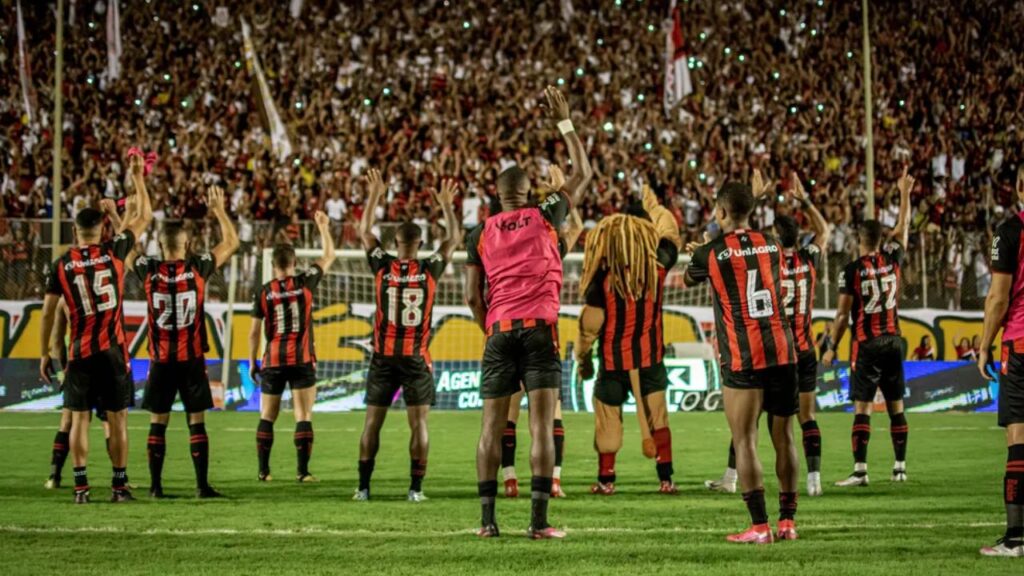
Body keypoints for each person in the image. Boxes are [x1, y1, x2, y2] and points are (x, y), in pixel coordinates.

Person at [464, 86, 591, 539]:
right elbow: (584, 172)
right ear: (527, 191)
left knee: (491, 430)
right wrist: (565, 121)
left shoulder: (478, 232)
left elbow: (471, 297)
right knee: (541, 427)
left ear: (498, 197)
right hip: (539, 331)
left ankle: (487, 523)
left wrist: (491, 330)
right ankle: (538, 523)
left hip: (499, 331)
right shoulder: (546, 213)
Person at [683, 175, 800, 544]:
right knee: (784, 438)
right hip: (783, 350)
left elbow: (690, 278)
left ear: (719, 212)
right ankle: (787, 523)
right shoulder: (773, 244)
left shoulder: (711, 252)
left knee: (745, 438)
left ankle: (759, 526)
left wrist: (702, 247)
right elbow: (752, 253)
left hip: (743, 356)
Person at [705, 172, 830, 497]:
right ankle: (812, 481)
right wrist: (805, 201)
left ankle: (736, 481)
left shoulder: (766, 255)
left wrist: (752, 201)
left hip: (762, 344)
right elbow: (825, 233)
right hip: (799, 350)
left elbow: (737, 236)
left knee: (745, 426)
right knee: (800, 421)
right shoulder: (804, 259)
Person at [39, 151, 153, 503]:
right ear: (103, 228)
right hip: (113, 351)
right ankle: (119, 487)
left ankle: (81, 487)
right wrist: (137, 176)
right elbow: (145, 215)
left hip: (80, 351)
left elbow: (48, 313)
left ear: (75, 231)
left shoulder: (61, 265)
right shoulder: (114, 252)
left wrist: (46, 352)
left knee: (78, 418)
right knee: (118, 419)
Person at [353, 170, 460, 502]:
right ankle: (415, 489)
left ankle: (363, 488)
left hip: (383, 357)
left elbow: (363, 230)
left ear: (394, 243)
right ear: (420, 244)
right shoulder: (429, 269)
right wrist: (446, 205)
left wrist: (375, 194)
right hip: (416, 358)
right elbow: (454, 239)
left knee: (372, 423)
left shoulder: (382, 266)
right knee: (419, 425)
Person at [132, 185, 239, 498]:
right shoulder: (197, 267)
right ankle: (202, 486)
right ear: (187, 244)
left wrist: (121, 214)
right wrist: (218, 209)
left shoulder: (148, 269)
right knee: (196, 422)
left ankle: (155, 487)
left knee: (158, 422)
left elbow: (122, 250)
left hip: (161, 359)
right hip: (191, 358)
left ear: (160, 246)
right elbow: (231, 242)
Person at [574, 186, 682, 496]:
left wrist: (583, 360)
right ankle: (666, 479)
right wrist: (657, 209)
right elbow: (670, 236)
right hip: (650, 358)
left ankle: (606, 480)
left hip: (612, 361)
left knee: (608, 419)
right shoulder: (659, 266)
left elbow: (588, 328)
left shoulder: (602, 278)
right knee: (658, 416)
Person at [823, 167, 914, 487]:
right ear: (880, 240)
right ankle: (900, 466)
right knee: (895, 406)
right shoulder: (892, 261)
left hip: (868, 342)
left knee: (863, 407)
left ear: (858, 240)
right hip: (893, 339)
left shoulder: (851, 270)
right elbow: (903, 231)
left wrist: (831, 346)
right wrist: (905, 194)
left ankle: (860, 470)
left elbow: (842, 315)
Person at [500, 166, 583, 500]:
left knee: (508, 410)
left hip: (506, 328)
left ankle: (509, 480)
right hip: (541, 331)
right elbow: (575, 228)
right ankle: (555, 481)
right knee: (552, 412)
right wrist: (563, 194)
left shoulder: (501, 242)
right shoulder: (551, 248)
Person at [248, 211, 335, 483]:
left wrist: (253, 362)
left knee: (267, 415)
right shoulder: (304, 282)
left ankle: (264, 471)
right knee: (303, 415)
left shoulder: (263, 291)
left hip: (272, 360)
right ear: (294, 263)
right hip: (301, 358)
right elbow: (329, 255)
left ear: (274, 265)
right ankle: (303, 472)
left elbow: (253, 333)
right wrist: (323, 227)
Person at [975, 166, 1024, 557]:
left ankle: (1016, 538)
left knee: (1018, 438)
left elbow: (998, 298)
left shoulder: (1010, 232)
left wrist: (984, 345)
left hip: (1021, 344)